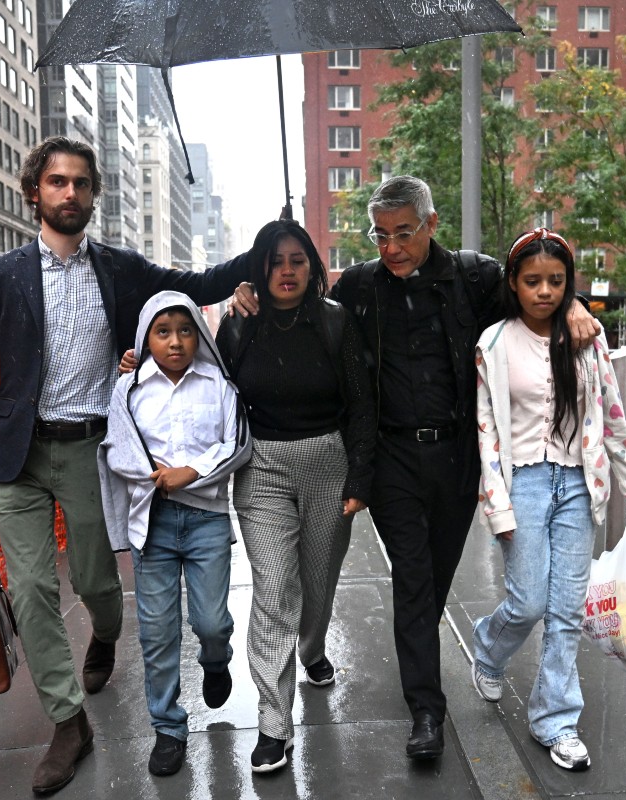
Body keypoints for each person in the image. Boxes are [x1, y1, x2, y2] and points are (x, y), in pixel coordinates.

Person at [234, 176, 598, 759]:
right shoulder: (358, 287)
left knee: (434, 578)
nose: (393, 247)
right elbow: (295, 294)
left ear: (431, 224)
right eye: (381, 236)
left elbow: (535, 291)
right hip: (392, 458)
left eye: (404, 233)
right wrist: (243, 293)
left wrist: (576, 302)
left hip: (458, 457)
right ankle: (426, 710)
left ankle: (440, 668)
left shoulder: (474, 277)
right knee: (412, 580)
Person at [0, 136, 249, 795]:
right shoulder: (0, 277)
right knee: (32, 590)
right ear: (35, 192)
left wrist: (267, 244)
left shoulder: (117, 268)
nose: (70, 193)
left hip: (92, 448)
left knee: (97, 583)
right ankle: (67, 722)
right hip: (16, 456)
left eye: (81, 183)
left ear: (93, 195)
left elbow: (194, 287)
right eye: (57, 182)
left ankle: (104, 637)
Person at [471, 227, 626, 772]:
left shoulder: (587, 339)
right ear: (513, 283)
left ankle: (557, 721)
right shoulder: (494, 344)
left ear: (568, 284)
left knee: (566, 611)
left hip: (578, 484)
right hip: (522, 481)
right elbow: (487, 433)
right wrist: (497, 503)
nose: (544, 291)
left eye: (555, 281)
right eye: (532, 281)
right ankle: (489, 646)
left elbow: (612, 413)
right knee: (527, 602)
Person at [214, 220, 376, 773]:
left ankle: (311, 648)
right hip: (261, 467)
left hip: (328, 462)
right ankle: (274, 724)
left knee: (317, 579)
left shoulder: (336, 323)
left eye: (297, 261)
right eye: (277, 261)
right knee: (275, 588)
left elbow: (362, 404)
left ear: (312, 267)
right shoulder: (240, 324)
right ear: (261, 268)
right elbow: (210, 389)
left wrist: (359, 480)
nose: (287, 271)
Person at [98, 291, 252, 777]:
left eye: (185, 330)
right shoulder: (127, 390)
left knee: (210, 622)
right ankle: (168, 728)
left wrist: (191, 471)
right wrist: (150, 473)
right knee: (157, 634)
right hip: (153, 525)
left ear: (199, 335)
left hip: (206, 520)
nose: (175, 341)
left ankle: (215, 658)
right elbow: (114, 451)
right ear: (146, 337)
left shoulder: (219, 385)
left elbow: (238, 444)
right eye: (162, 332)